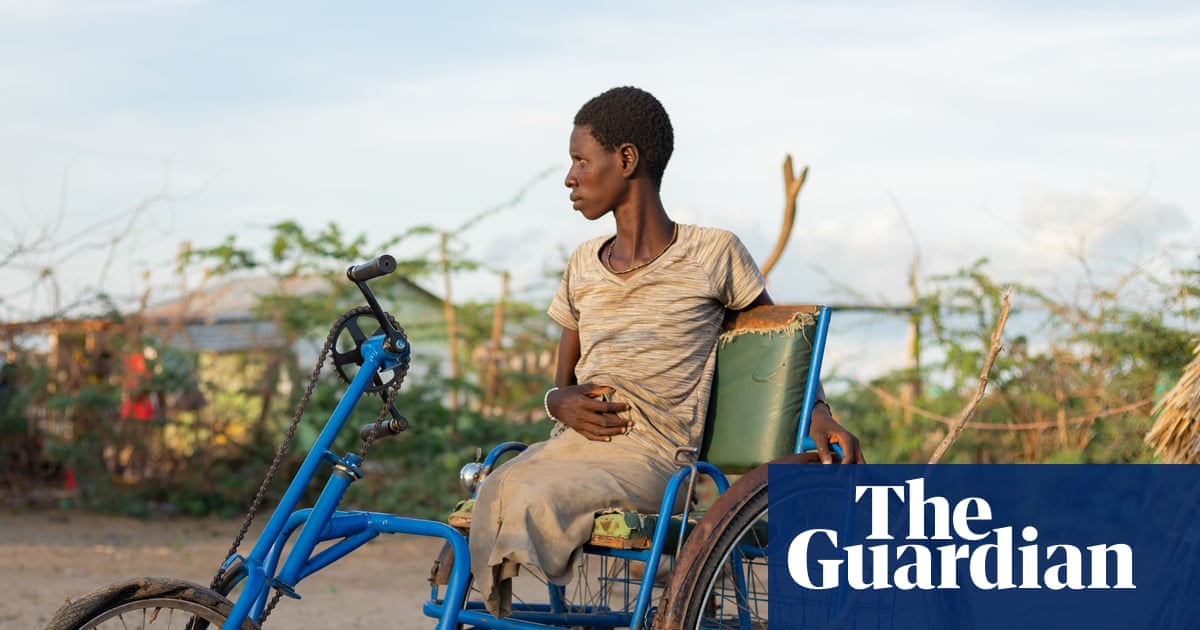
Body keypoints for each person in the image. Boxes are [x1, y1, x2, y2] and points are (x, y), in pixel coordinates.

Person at [467, 86, 864, 618]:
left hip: (655, 460)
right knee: (495, 487)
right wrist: (555, 401)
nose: (569, 178)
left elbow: (782, 347)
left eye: (581, 161)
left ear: (626, 159)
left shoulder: (712, 253)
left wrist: (819, 414)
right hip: (572, 451)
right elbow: (562, 385)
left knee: (528, 497)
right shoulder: (582, 264)